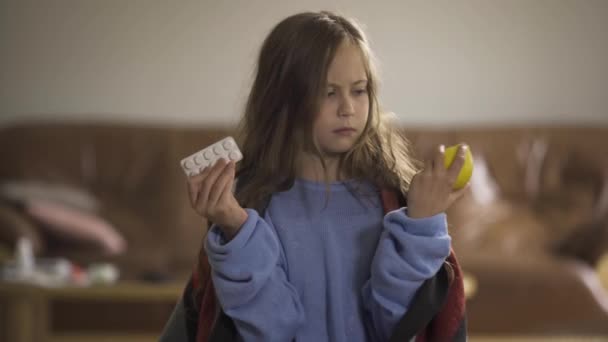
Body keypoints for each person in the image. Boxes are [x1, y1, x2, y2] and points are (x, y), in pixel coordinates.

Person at [161, 10, 468, 342]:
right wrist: (236, 228)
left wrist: (421, 222)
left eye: (359, 90)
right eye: (328, 92)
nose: (348, 108)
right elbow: (271, 329)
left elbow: (398, 326)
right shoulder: (249, 206)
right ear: (281, 99)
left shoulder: (394, 201)